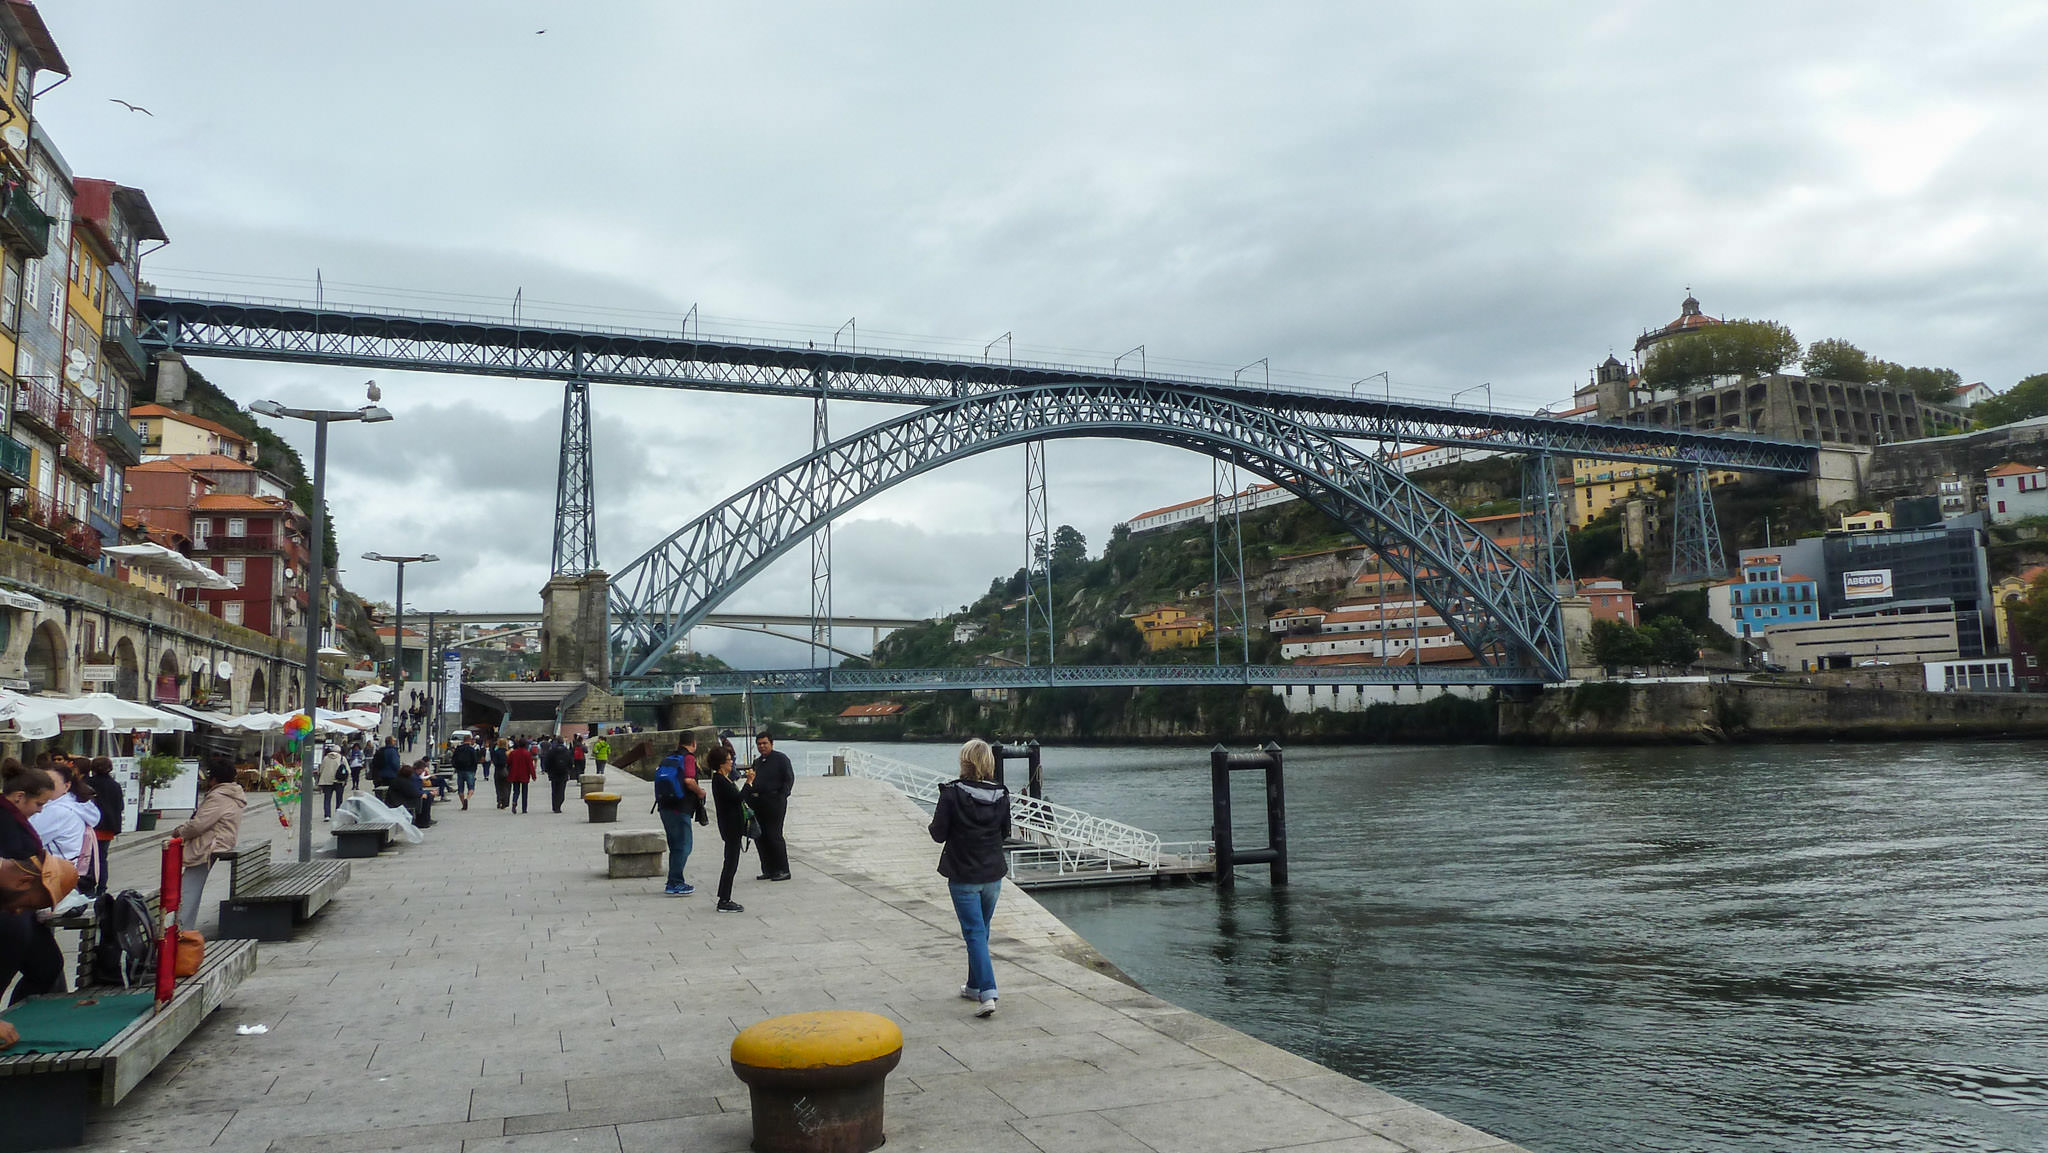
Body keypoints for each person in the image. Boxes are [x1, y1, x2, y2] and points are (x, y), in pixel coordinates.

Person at [929, 739, 1009, 1018]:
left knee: (974, 933)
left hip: (964, 874)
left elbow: (938, 833)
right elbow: (1005, 832)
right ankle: (974, 985)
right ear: (989, 762)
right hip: (992, 875)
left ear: (965, 762)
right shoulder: (1001, 793)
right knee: (981, 932)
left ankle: (988, 993)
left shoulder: (951, 793)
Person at [1, 762, 65, 1004]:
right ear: (19, 797)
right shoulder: (5, 818)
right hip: (9, 908)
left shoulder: (13, 817)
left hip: (22, 907)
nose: (40, 811)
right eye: (39, 804)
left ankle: (16, 1018)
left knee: (48, 965)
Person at [171, 758, 246, 930]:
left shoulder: (219, 796)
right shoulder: (233, 792)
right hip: (222, 841)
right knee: (191, 886)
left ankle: (181, 929)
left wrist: (179, 831)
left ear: (214, 779)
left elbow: (199, 825)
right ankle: (183, 927)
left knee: (189, 889)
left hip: (210, 845)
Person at [31, 761, 102, 896]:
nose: (43, 788)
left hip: (51, 879)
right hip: (65, 874)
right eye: (40, 783)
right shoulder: (75, 806)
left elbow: (29, 839)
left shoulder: (57, 811)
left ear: (67, 786)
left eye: (50, 783)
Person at [653, 732, 706, 896]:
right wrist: (700, 792)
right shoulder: (688, 758)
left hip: (664, 806)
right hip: (680, 807)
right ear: (694, 743)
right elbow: (689, 780)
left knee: (675, 845)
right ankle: (675, 882)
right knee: (684, 845)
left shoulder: (669, 757)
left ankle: (673, 880)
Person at [704, 745, 747, 913]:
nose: (731, 763)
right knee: (730, 863)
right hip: (731, 826)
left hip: (731, 824)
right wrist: (749, 784)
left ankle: (724, 896)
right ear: (721, 763)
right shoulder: (720, 781)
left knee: (731, 862)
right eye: (729, 760)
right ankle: (724, 899)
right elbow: (737, 798)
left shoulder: (723, 779)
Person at [748, 732, 795, 882]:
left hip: (775, 802)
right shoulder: (757, 762)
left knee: (774, 835)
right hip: (758, 803)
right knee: (760, 836)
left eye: (764, 743)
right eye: (759, 744)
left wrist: (782, 796)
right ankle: (768, 869)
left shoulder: (781, 759)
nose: (762, 746)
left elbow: (789, 779)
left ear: (771, 743)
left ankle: (783, 869)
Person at [84, 757, 123, 886]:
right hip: (108, 826)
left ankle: (89, 886)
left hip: (92, 826)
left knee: (88, 858)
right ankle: (101, 886)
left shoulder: (87, 783)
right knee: (102, 858)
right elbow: (120, 806)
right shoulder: (115, 785)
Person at [541, 735, 574, 813]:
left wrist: (547, 770)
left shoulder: (551, 751)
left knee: (554, 790)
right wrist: (569, 770)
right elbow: (570, 762)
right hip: (564, 773)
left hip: (553, 773)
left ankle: (554, 806)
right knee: (561, 790)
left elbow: (547, 761)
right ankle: (559, 804)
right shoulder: (567, 751)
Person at [450, 735, 481, 811]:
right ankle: (467, 798)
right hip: (470, 770)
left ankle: (463, 803)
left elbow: (453, 759)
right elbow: (475, 761)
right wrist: (474, 771)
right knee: (471, 788)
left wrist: (456, 768)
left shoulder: (458, 749)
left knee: (460, 789)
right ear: (470, 740)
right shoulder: (472, 749)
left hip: (460, 771)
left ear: (463, 740)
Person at [506, 738, 536, 814]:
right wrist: (533, 775)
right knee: (524, 792)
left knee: (516, 791)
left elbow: (508, 762)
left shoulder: (513, 753)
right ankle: (524, 808)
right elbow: (530, 766)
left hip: (515, 774)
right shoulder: (527, 753)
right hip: (524, 775)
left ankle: (514, 801)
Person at [317, 745, 347, 819]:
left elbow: (321, 770)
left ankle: (327, 815)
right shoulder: (342, 758)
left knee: (327, 798)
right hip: (339, 781)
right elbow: (348, 770)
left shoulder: (325, 758)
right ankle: (338, 814)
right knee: (339, 798)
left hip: (327, 781)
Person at [371, 736, 403, 805]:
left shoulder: (381, 750)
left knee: (381, 796)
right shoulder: (392, 751)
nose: (395, 742)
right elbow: (395, 765)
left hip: (380, 776)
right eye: (394, 741)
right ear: (391, 742)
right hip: (391, 777)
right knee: (392, 795)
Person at [491, 739, 513, 810]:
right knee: (507, 787)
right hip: (507, 771)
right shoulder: (509, 752)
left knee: (499, 787)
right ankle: (505, 802)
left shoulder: (496, 752)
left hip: (498, 771)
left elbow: (494, 762)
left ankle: (499, 800)